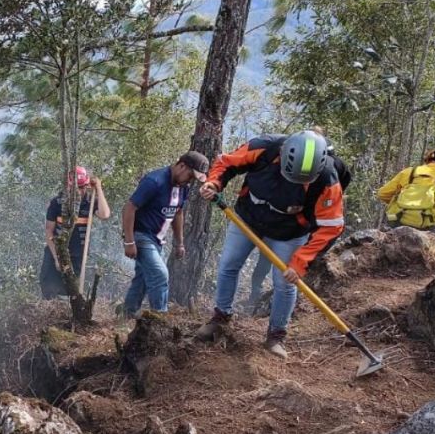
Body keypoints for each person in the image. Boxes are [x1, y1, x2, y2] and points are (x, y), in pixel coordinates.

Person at [194, 130, 345, 359]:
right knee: (228, 265)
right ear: (283, 154)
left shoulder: (327, 179)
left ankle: (276, 335)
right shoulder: (263, 147)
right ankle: (220, 318)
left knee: (285, 283)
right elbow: (227, 163)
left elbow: (331, 226)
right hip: (248, 218)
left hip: (289, 232)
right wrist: (214, 183)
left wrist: (300, 262)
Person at [247, 134, 353, 311]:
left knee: (299, 260)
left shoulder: (334, 169)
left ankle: (287, 294)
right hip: (291, 220)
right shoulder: (297, 165)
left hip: (316, 219)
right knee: (267, 257)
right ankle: (256, 293)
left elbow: (340, 190)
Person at [120, 151, 210, 317]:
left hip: (157, 241)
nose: (190, 181)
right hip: (141, 236)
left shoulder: (183, 187)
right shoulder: (154, 181)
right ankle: (160, 320)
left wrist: (180, 243)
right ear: (182, 166)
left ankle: (126, 315)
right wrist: (129, 241)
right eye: (190, 175)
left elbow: (178, 213)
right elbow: (129, 207)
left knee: (142, 280)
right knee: (160, 274)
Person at [39, 166, 111, 299]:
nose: (80, 191)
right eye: (76, 188)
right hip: (56, 252)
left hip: (78, 256)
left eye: (83, 187)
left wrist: (99, 188)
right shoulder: (57, 203)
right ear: (68, 186)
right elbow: (49, 230)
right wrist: (57, 258)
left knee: (71, 293)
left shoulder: (89, 202)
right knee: (49, 289)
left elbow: (105, 214)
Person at [377, 145, 435, 232]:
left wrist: (401, 202)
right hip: (432, 227)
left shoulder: (409, 172)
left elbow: (382, 194)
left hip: (398, 221)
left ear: (429, 159)